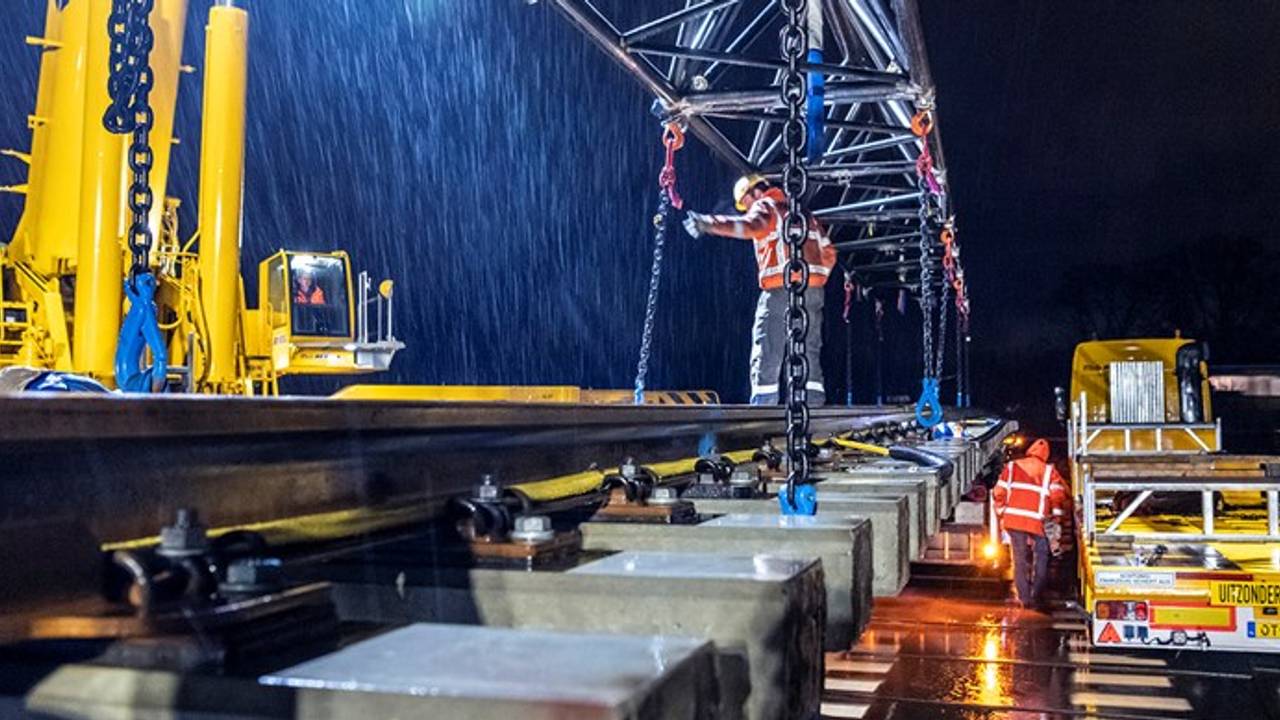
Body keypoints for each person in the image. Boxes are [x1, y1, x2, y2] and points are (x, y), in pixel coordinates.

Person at [682, 174, 837, 405]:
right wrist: (816, 277)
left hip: (781, 288)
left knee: (768, 347)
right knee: (807, 349)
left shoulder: (767, 206)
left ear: (754, 192)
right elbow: (829, 251)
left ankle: (763, 407)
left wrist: (709, 224)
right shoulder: (804, 214)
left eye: (745, 203)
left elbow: (751, 226)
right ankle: (812, 404)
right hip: (813, 291)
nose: (747, 209)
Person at [993, 438, 1070, 611]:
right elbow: (1058, 497)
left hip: (1014, 520)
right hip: (1038, 522)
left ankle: (1024, 598)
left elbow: (999, 492)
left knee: (1019, 560)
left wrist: (1002, 512)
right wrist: (1057, 519)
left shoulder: (1012, 467)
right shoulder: (1049, 471)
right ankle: (1037, 596)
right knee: (1041, 558)